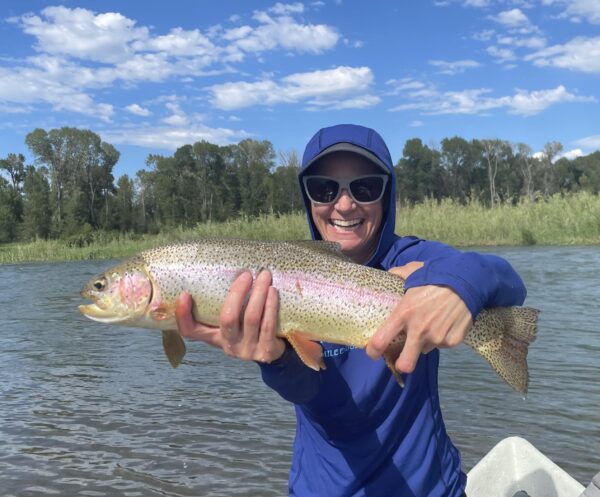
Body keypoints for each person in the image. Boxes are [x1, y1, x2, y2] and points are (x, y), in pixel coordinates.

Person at [175, 124, 527, 497]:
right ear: (308, 198)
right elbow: (309, 391)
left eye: (365, 188)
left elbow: (505, 279)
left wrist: (455, 286)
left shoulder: (416, 260)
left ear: (386, 195)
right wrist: (274, 360)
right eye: (325, 189)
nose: (344, 205)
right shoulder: (280, 281)